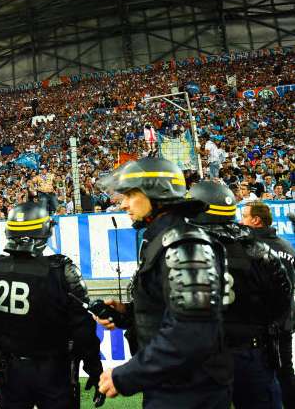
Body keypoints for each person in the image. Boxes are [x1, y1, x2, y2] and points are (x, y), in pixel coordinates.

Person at [94, 157, 232, 408]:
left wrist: (125, 375)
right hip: (171, 383)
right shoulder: (163, 239)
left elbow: (193, 331)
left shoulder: (185, 244)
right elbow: (171, 312)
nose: (123, 204)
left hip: (190, 390)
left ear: (157, 193)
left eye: (130, 195)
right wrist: (128, 313)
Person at [0, 201, 104, 409]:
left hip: (11, 371)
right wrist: (95, 370)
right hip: (55, 373)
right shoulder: (62, 271)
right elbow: (83, 331)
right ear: (45, 231)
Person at [190, 182, 292, 409]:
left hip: (205, 355)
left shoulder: (185, 249)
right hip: (252, 351)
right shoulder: (255, 247)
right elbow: (283, 296)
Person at [241, 201, 295, 408]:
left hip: (262, 326)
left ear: (255, 220)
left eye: (244, 216)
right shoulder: (286, 246)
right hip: (282, 323)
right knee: (283, 370)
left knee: (269, 373)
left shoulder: (249, 249)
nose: (240, 220)